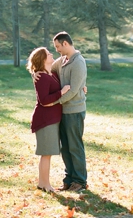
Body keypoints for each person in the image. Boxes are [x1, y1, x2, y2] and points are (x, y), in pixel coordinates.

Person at [26, 46, 70, 193]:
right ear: (43, 59)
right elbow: (44, 101)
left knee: (48, 153)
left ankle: (43, 183)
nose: (52, 54)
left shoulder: (50, 74)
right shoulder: (42, 77)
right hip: (45, 120)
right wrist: (61, 92)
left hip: (52, 119)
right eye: (49, 54)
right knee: (46, 154)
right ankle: (45, 185)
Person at [52, 31, 88, 192]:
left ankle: (80, 181)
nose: (57, 50)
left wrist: (55, 101)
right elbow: (47, 69)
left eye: (58, 46)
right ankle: (69, 179)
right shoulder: (62, 61)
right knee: (65, 147)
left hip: (74, 110)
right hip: (62, 111)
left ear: (65, 43)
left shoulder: (78, 62)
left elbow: (73, 90)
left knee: (75, 146)